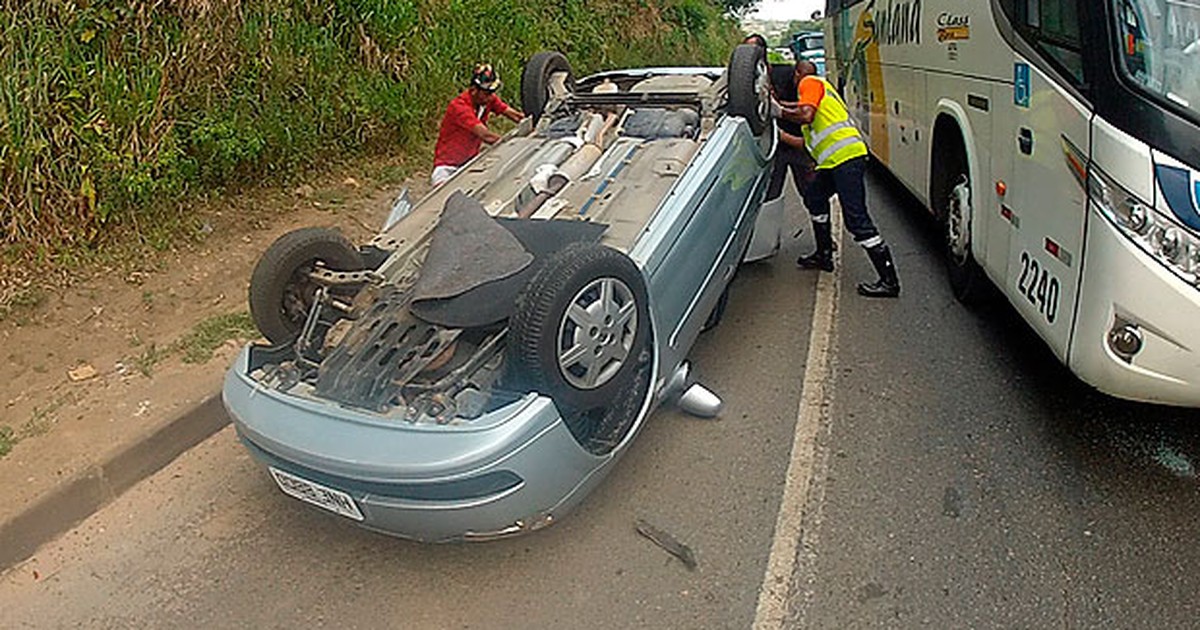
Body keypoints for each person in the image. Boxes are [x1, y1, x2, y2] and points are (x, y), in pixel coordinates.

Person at [779, 61, 900, 298]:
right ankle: (824, 255)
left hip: (846, 160)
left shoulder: (810, 82)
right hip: (834, 163)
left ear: (798, 75)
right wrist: (780, 133)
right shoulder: (821, 101)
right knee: (814, 197)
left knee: (856, 220)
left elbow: (804, 114)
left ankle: (889, 281)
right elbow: (806, 144)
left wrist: (778, 111)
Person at [431, 63, 525, 187]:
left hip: (469, 164)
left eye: (492, 92)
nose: (490, 96)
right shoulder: (459, 107)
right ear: (474, 90)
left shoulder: (487, 99)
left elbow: (514, 115)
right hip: (448, 167)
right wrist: (513, 145)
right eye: (487, 93)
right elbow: (485, 135)